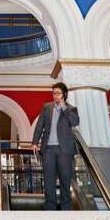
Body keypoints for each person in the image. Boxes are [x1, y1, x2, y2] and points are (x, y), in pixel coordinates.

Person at [32, 82, 80, 210]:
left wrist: (64, 107)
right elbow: (40, 125)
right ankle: (50, 206)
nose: (55, 96)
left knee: (65, 179)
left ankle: (66, 206)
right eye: (53, 93)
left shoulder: (71, 109)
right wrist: (35, 142)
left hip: (64, 150)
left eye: (58, 93)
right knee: (48, 179)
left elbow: (75, 122)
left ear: (64, 94)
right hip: (48, 149)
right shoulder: (47, 107)